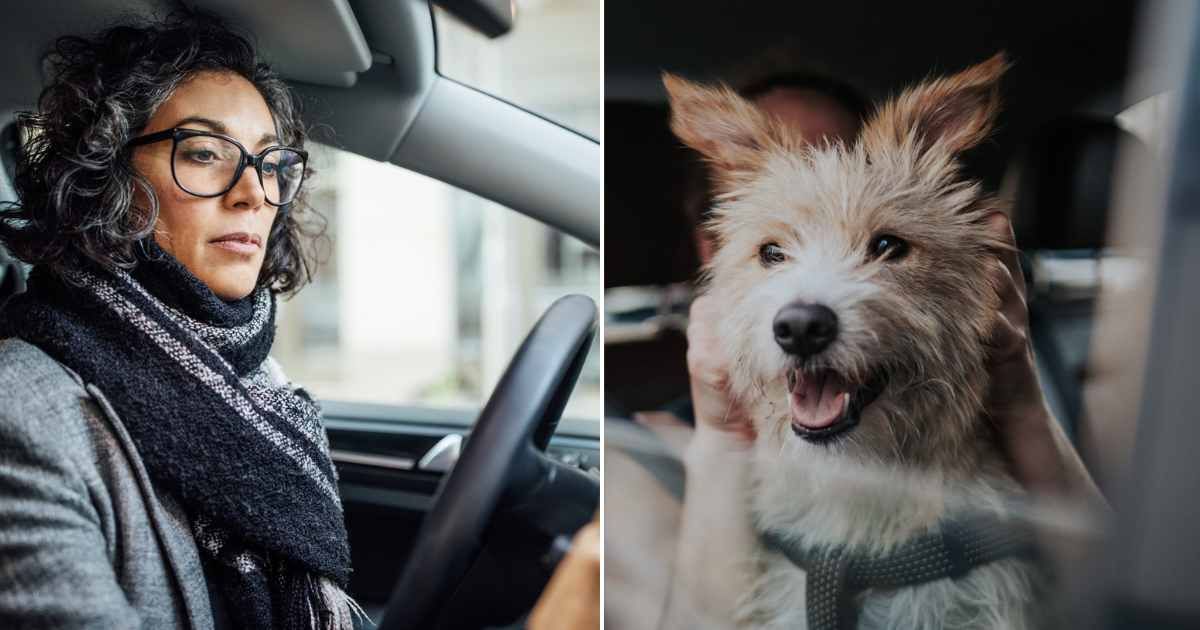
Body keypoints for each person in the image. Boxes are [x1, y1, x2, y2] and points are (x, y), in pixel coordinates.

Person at [0, 11, 598, 630]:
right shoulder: (22, 412)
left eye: (270, 162)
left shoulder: (255, 385)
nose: (253, 192)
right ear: (106, 175)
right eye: (204, 153)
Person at [622, 70, 1105, 629]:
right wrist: (722, 433)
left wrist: (1016, 392)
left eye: (883, 246)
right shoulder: (634, 454)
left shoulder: (1014, 418)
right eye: (774, 252)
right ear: (713, 250)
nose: (807, 301)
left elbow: (1122, 605)